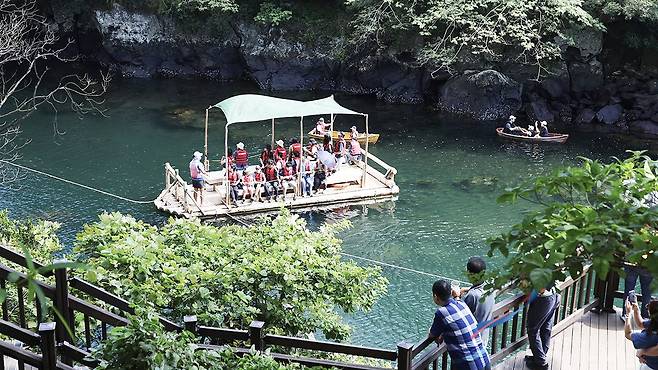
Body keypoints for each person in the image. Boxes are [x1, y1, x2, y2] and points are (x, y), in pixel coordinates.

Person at [428, 279, 491, 370]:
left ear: (435, 296)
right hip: (484, 360)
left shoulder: (441, 312)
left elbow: (432, 334)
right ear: (451, 292)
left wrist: (433, 331)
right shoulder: (462, 304)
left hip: (468, 365)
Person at [452, 257, 495, 348]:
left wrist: (457, 296)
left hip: (472, 342)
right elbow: (480, 289)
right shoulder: (490, 287)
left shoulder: (472, 296)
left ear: (470, 274)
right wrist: (468, 289)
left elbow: (460, 315)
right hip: (484, 337)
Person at [525, 285, 560, 370]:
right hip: (553, 295)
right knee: (546, 328)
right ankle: (540, 357)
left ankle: (541, 363)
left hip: (544, 299)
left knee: (533, 330)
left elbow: (541, 288)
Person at [625, 299, 658, 369]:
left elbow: (628, 334)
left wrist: (628, 315)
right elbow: (640, 324)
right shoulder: (654, 323)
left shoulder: (648, 337)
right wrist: (636, 310)